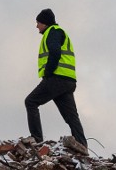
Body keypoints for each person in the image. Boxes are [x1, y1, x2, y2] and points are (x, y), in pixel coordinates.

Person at [24, 8, 87, 147]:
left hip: (56, 78)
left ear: (45, 23)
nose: (37, 26)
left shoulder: (52, 32)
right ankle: (82, 145)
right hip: (68, 80)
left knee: (31, 102)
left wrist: (48, 72)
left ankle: (36, 138)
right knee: (71, 116)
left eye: (38, 22)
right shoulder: (59, 32)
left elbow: (55, 52)